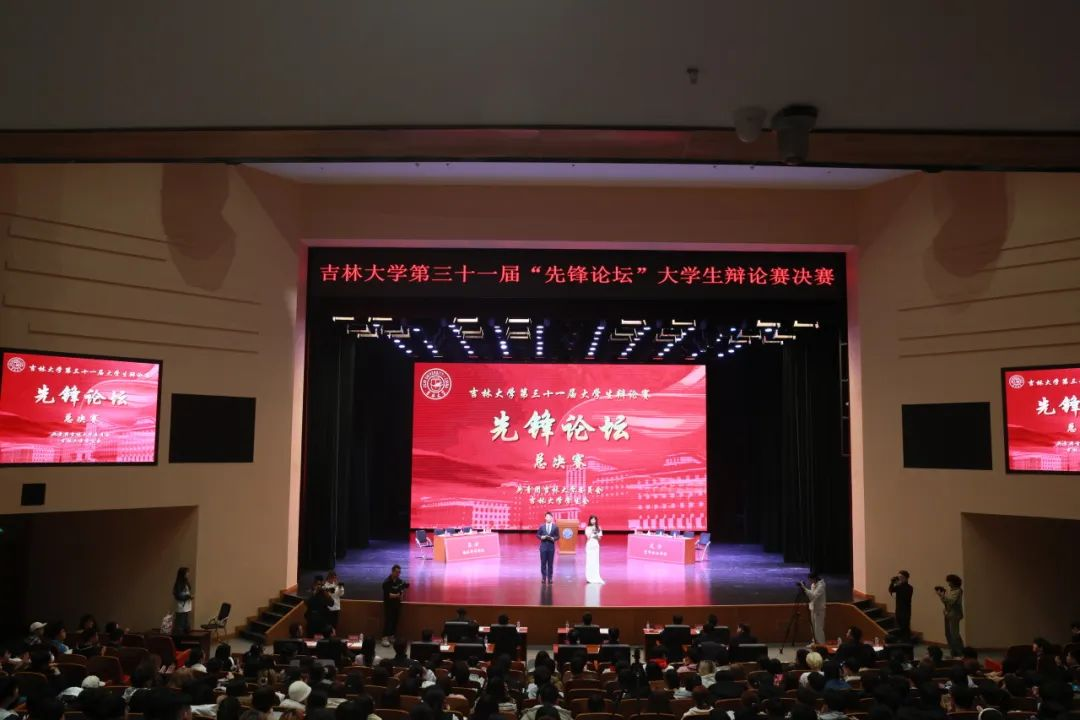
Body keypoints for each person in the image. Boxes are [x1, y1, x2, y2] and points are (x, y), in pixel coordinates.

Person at [935, 574, 964, 657]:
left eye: (949, 582)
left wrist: (942, 596)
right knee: (948, 634)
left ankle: (960, 652)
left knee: (954, 634)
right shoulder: (951, 591)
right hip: (948, 614)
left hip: (954, 615)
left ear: (953, 582)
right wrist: (942, 596)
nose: (948, 584)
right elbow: (947, 602)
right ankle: (953, 652)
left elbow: (951, 601)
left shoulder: (958, 591)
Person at [381, 564, 408, 647]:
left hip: (397, 605)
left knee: (395, 620)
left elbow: (403, 589)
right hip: (389, 605)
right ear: (392, 571)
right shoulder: (386, 582)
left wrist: (402, 593)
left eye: (399, 572)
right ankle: (384, 638)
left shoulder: (399, 581)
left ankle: (391, 636)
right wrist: (398, 595)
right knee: (388, 620)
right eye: (396, 572)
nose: (398, 574)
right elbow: (389, 595)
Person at [799, 572, 827, 644]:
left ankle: (821, 644)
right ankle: (814, 643)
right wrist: (805, 590)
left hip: (819, 610)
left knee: (818, 629)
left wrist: (805, 588)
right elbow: (811, 595)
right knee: (813, 628)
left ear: (815, 578)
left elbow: (813, 596)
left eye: (810, 579)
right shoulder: (813, 585)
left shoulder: (821, 586)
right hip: (813, 608)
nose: (810, 581)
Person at [888, 571, 913, 639]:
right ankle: (902, 640)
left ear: (906, 578)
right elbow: (891, 590)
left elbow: (905, 597)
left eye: (901, 577)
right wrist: (892, 583)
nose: (900, 579)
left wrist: (898, 585)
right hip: (898, 609)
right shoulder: (899, 586)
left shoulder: (909, 588)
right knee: (899, 626)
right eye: (899, 577)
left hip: (906, 611)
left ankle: (906, 641)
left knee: (905, 627)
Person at [172, 567, 193, 636]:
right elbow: (178, 596)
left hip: (186, 606)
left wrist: (189, 596)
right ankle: (179, 639)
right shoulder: (179, 583)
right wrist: (188, 597)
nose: (188, 574)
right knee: (180, 625)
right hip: (181, 607)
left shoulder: (186, 582)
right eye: (187, 572)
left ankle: (185, 638)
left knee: (185, 624)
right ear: (183, 574)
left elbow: (186, 592)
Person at [537, 512, 557, 584]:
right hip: (543, 548)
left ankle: (550, 578)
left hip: (551, 548)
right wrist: (541, 537)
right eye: (547, 517)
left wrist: (553, 538)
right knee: (543, 563)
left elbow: (558, 536)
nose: (548, 518)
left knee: (550, 564)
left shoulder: (555, 527)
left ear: (552, 518)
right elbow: (538, 535)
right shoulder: (542, 526)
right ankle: (543, 577)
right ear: (545, 518)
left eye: (550, 517)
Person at [584, 515, 604, 584]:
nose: (593, 521)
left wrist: (595, 534)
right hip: (589, 545)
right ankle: (589, 577)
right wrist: (592, 531)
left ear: (596, 520)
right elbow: (588, 537)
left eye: (594, 520)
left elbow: (599, 538)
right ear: (590, 520)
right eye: (592, 520)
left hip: (595, 545)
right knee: (589, 561)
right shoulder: (587, 528)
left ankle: (595, 576)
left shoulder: (598, 528)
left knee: (595, 561)